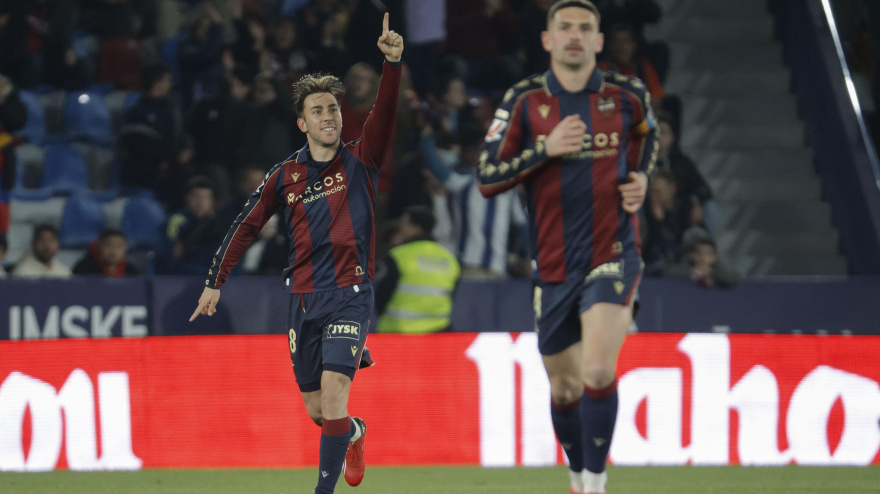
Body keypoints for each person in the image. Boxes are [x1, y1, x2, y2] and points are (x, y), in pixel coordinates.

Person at [189, 13, 403, 494]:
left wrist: (392, 64)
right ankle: (353, 432)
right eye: (319, 110)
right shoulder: (285, 176)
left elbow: (386, 114)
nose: (330, 116)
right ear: (302, 122)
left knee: (333, 395)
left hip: (350, 293)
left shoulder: (362, 160)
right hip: (303, 298)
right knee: (319, 410)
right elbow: (245, 225)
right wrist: (215, 280)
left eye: (335, 108)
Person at [476, 2, 658, 493]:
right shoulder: (523, 101)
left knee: (598, 370)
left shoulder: (627, 97)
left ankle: (595, 485)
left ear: (599, 41)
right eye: (565, 28)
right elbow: (487, 178)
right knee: (566, 386)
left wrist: (641, 177)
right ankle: (578, 479)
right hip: (553, 265)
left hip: (613, 250)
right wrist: (545, 149)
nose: (575, 36)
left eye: (585, 28)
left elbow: (647, 136)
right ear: (547, 40)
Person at [375, 205, 460, 333]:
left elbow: (382, 297)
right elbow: (451, 296)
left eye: (404, 223)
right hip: (437, 333)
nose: (400, 227)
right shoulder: (449, 258)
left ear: (416, 228)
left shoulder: (399, 256)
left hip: (398, 333)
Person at [73, 228, 142, 276]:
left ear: (125, 247)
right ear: (99, 246)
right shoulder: (83, 270)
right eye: (108, 245)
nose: (113, 250)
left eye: (118, 246)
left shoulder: (132, 273)